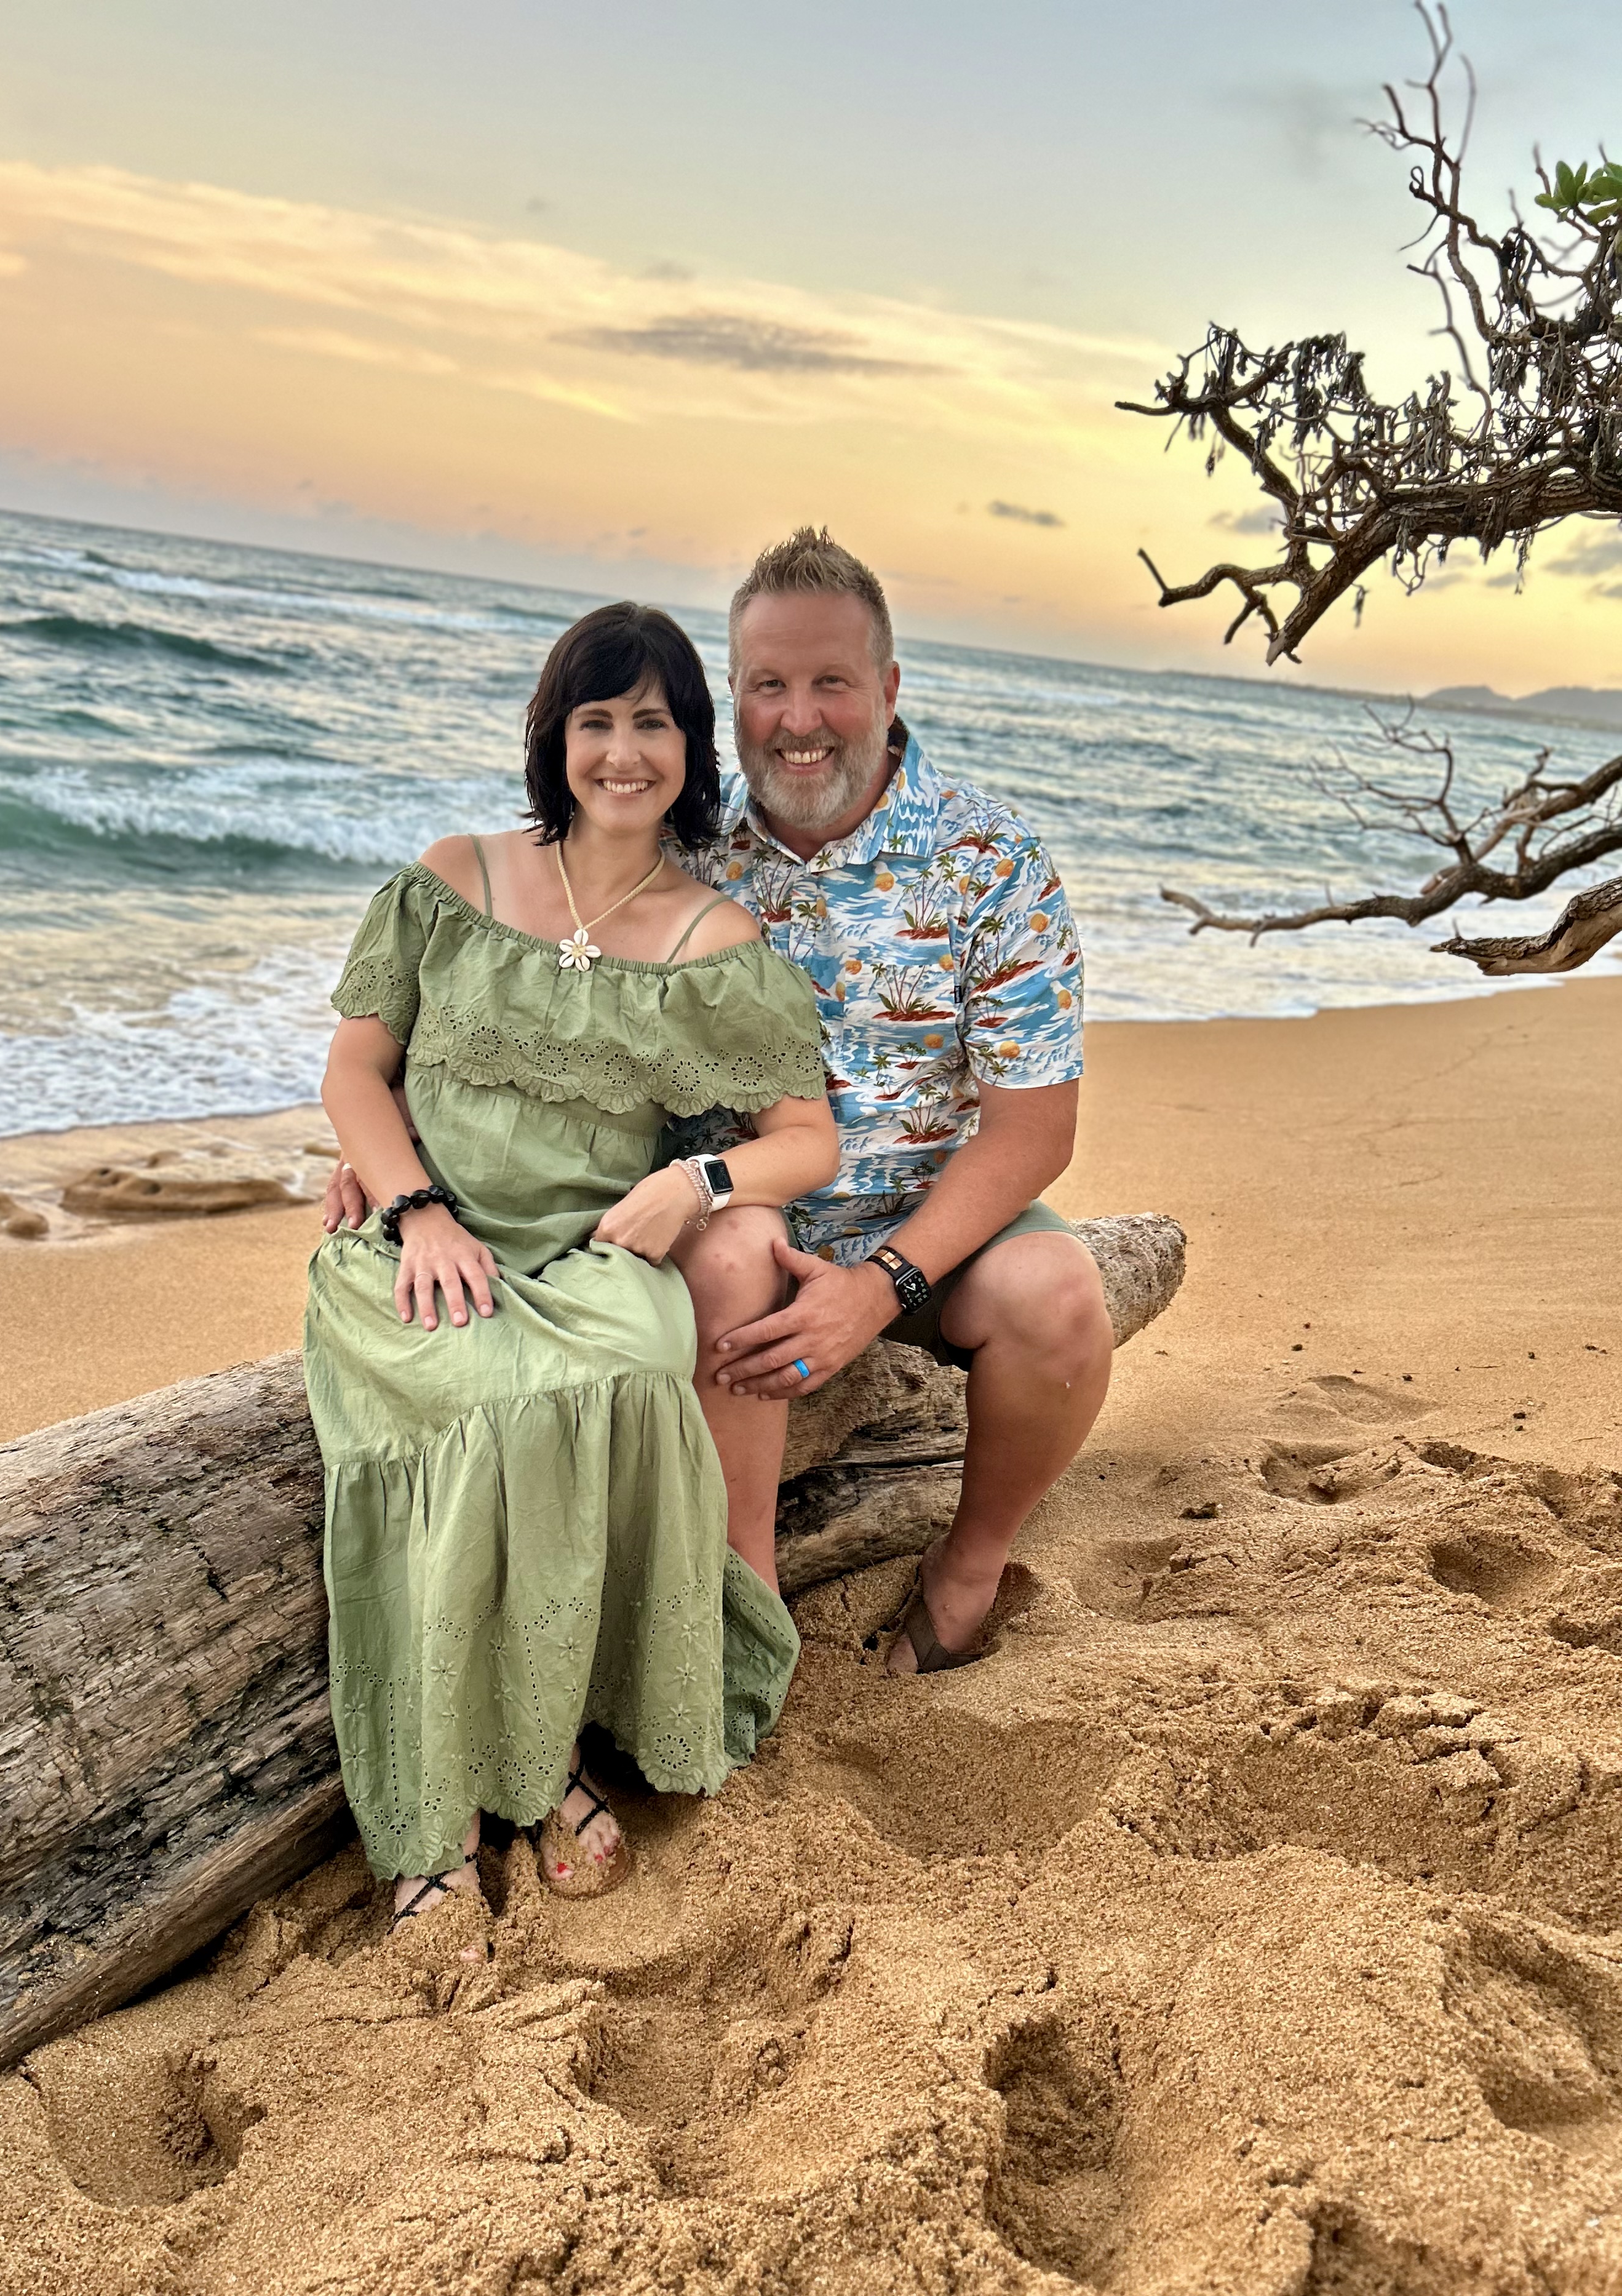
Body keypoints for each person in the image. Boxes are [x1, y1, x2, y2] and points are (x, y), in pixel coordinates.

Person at [327, 527, 1115, 1681]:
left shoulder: (991, 864)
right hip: (716, 1229)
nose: (800, 718)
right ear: (730, 704)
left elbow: (1035, 1129)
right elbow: (518, 993)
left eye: (832, 683)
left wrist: (878, 1285)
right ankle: (731, 1597)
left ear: (889, 689)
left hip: (929, 1240)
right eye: (769, 687)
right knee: (738, 1246)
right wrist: (403, 1169)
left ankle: (971, 1565)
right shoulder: (682, 847)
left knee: (1060, 1292)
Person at [306, 601, 836, 1931]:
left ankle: (551, 1760)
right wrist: (415, 1202)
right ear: (558, 737)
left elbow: (806, 1143)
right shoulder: (457, 877)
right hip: (422, 1244)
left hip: (588, 1256)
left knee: (632, 1362)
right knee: (488, 1398)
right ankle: (452, 1796)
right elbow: (353, 1070)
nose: (622, 751)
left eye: (652, 721)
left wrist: (697, 1180)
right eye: (596, 720)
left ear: (688, 744)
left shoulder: (712, 942)